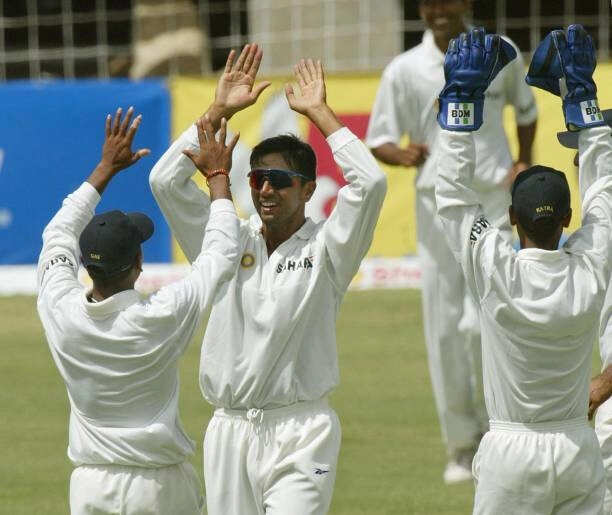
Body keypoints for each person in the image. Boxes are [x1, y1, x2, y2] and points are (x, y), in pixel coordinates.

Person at [149, 43, 387, 514]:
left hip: (302, 431)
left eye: (279, 181)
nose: (265, 190)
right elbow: (164, 182)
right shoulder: (225, 242)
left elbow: (372, 183)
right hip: (229, 430)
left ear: (308, 189)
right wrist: (217, 111)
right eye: (257, 179)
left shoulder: (330, 249)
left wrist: (321, 114)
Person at [435, 25, 610, 513]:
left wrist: (461, 101)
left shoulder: (496, 270)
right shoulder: (591, 268)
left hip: (511, 454)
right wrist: (583, 96)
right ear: (568, 220)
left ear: (511, 219)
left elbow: (451, 197)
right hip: (578, 447)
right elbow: (605, 190)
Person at [365, 0, 538, 482]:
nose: (438, 9)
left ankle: (504, 432)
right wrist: (402, 154)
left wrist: (523, 160)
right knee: (444, 325)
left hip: (495, 198)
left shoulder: (501, 50)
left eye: (448, 0)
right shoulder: (404, 69)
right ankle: (461, 446)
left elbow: (526, 109)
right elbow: (380, 138)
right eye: (428, 2)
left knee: (495, 318)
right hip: (437, 203)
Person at [36, 107, 241, 513]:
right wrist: (218, 178)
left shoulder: (60, 310)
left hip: (90, 485)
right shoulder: (159, 316)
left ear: (87, 266)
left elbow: (57, 233)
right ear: (138, 264)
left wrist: (103, 170)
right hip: (158, 486)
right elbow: (221, 254)